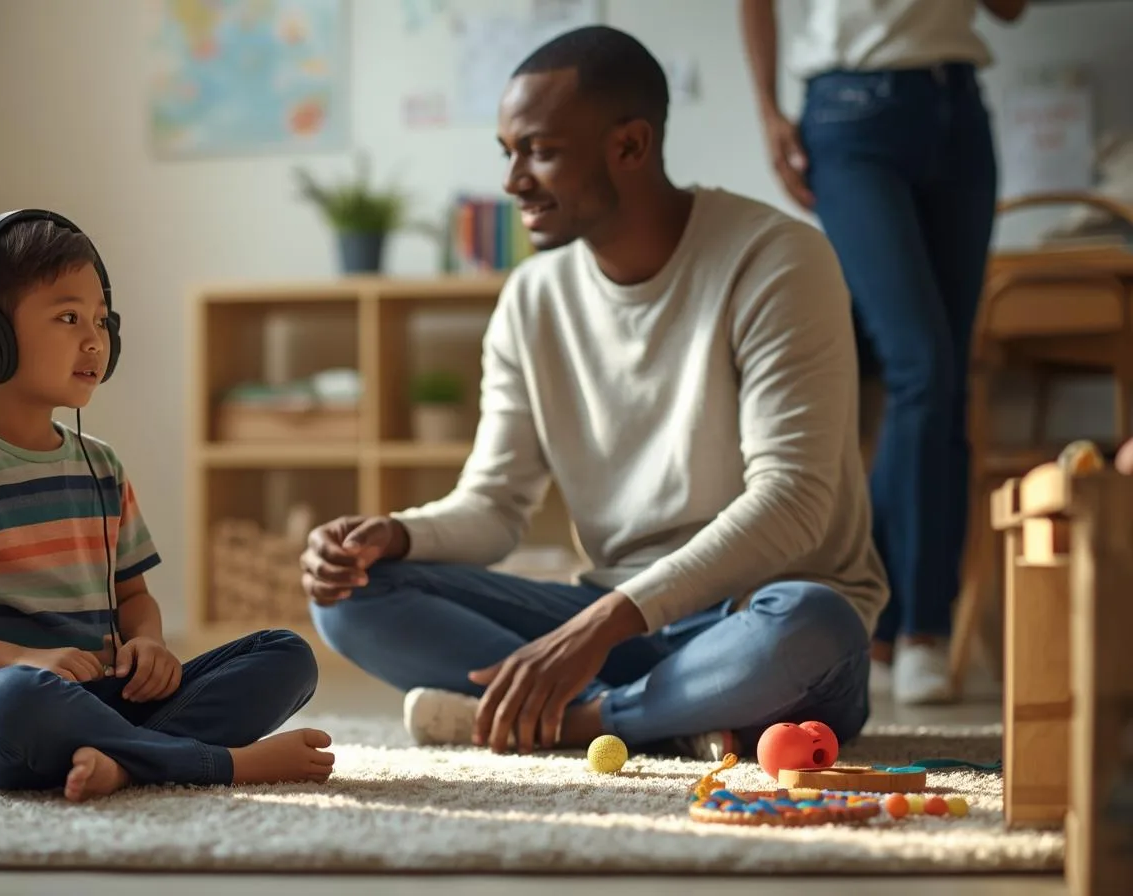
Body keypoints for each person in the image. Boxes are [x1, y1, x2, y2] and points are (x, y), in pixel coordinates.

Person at [301, 25, 889, 759]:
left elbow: (794, 501)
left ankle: (579, 722)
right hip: (615, 626)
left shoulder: (776, 260)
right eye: (508, 153)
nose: (513, 180)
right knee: (349, 594)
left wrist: (603, 623)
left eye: (540, 153)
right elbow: (492, 507)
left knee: (813, 624)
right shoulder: (530, 299)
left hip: (751, 617)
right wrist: (395, 534)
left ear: (631, 147)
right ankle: (658, 715)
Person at [0, 211, 334, 801]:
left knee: (286, 655)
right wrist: (23, 660)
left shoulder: (101, 466)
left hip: (97, 696)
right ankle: (219, 764)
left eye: (101, 321)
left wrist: (149, 644)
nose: (95, 339)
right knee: (22, 703)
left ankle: (124, 760)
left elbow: (134, 597)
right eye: (67, 318)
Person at [739, 0, 1027, 704]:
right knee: (922, 365)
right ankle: (913, 625)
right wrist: (769, 111)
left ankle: (891, 623)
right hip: (849, 110)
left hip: (958, 106)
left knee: (942, 380)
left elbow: (1011, 10)